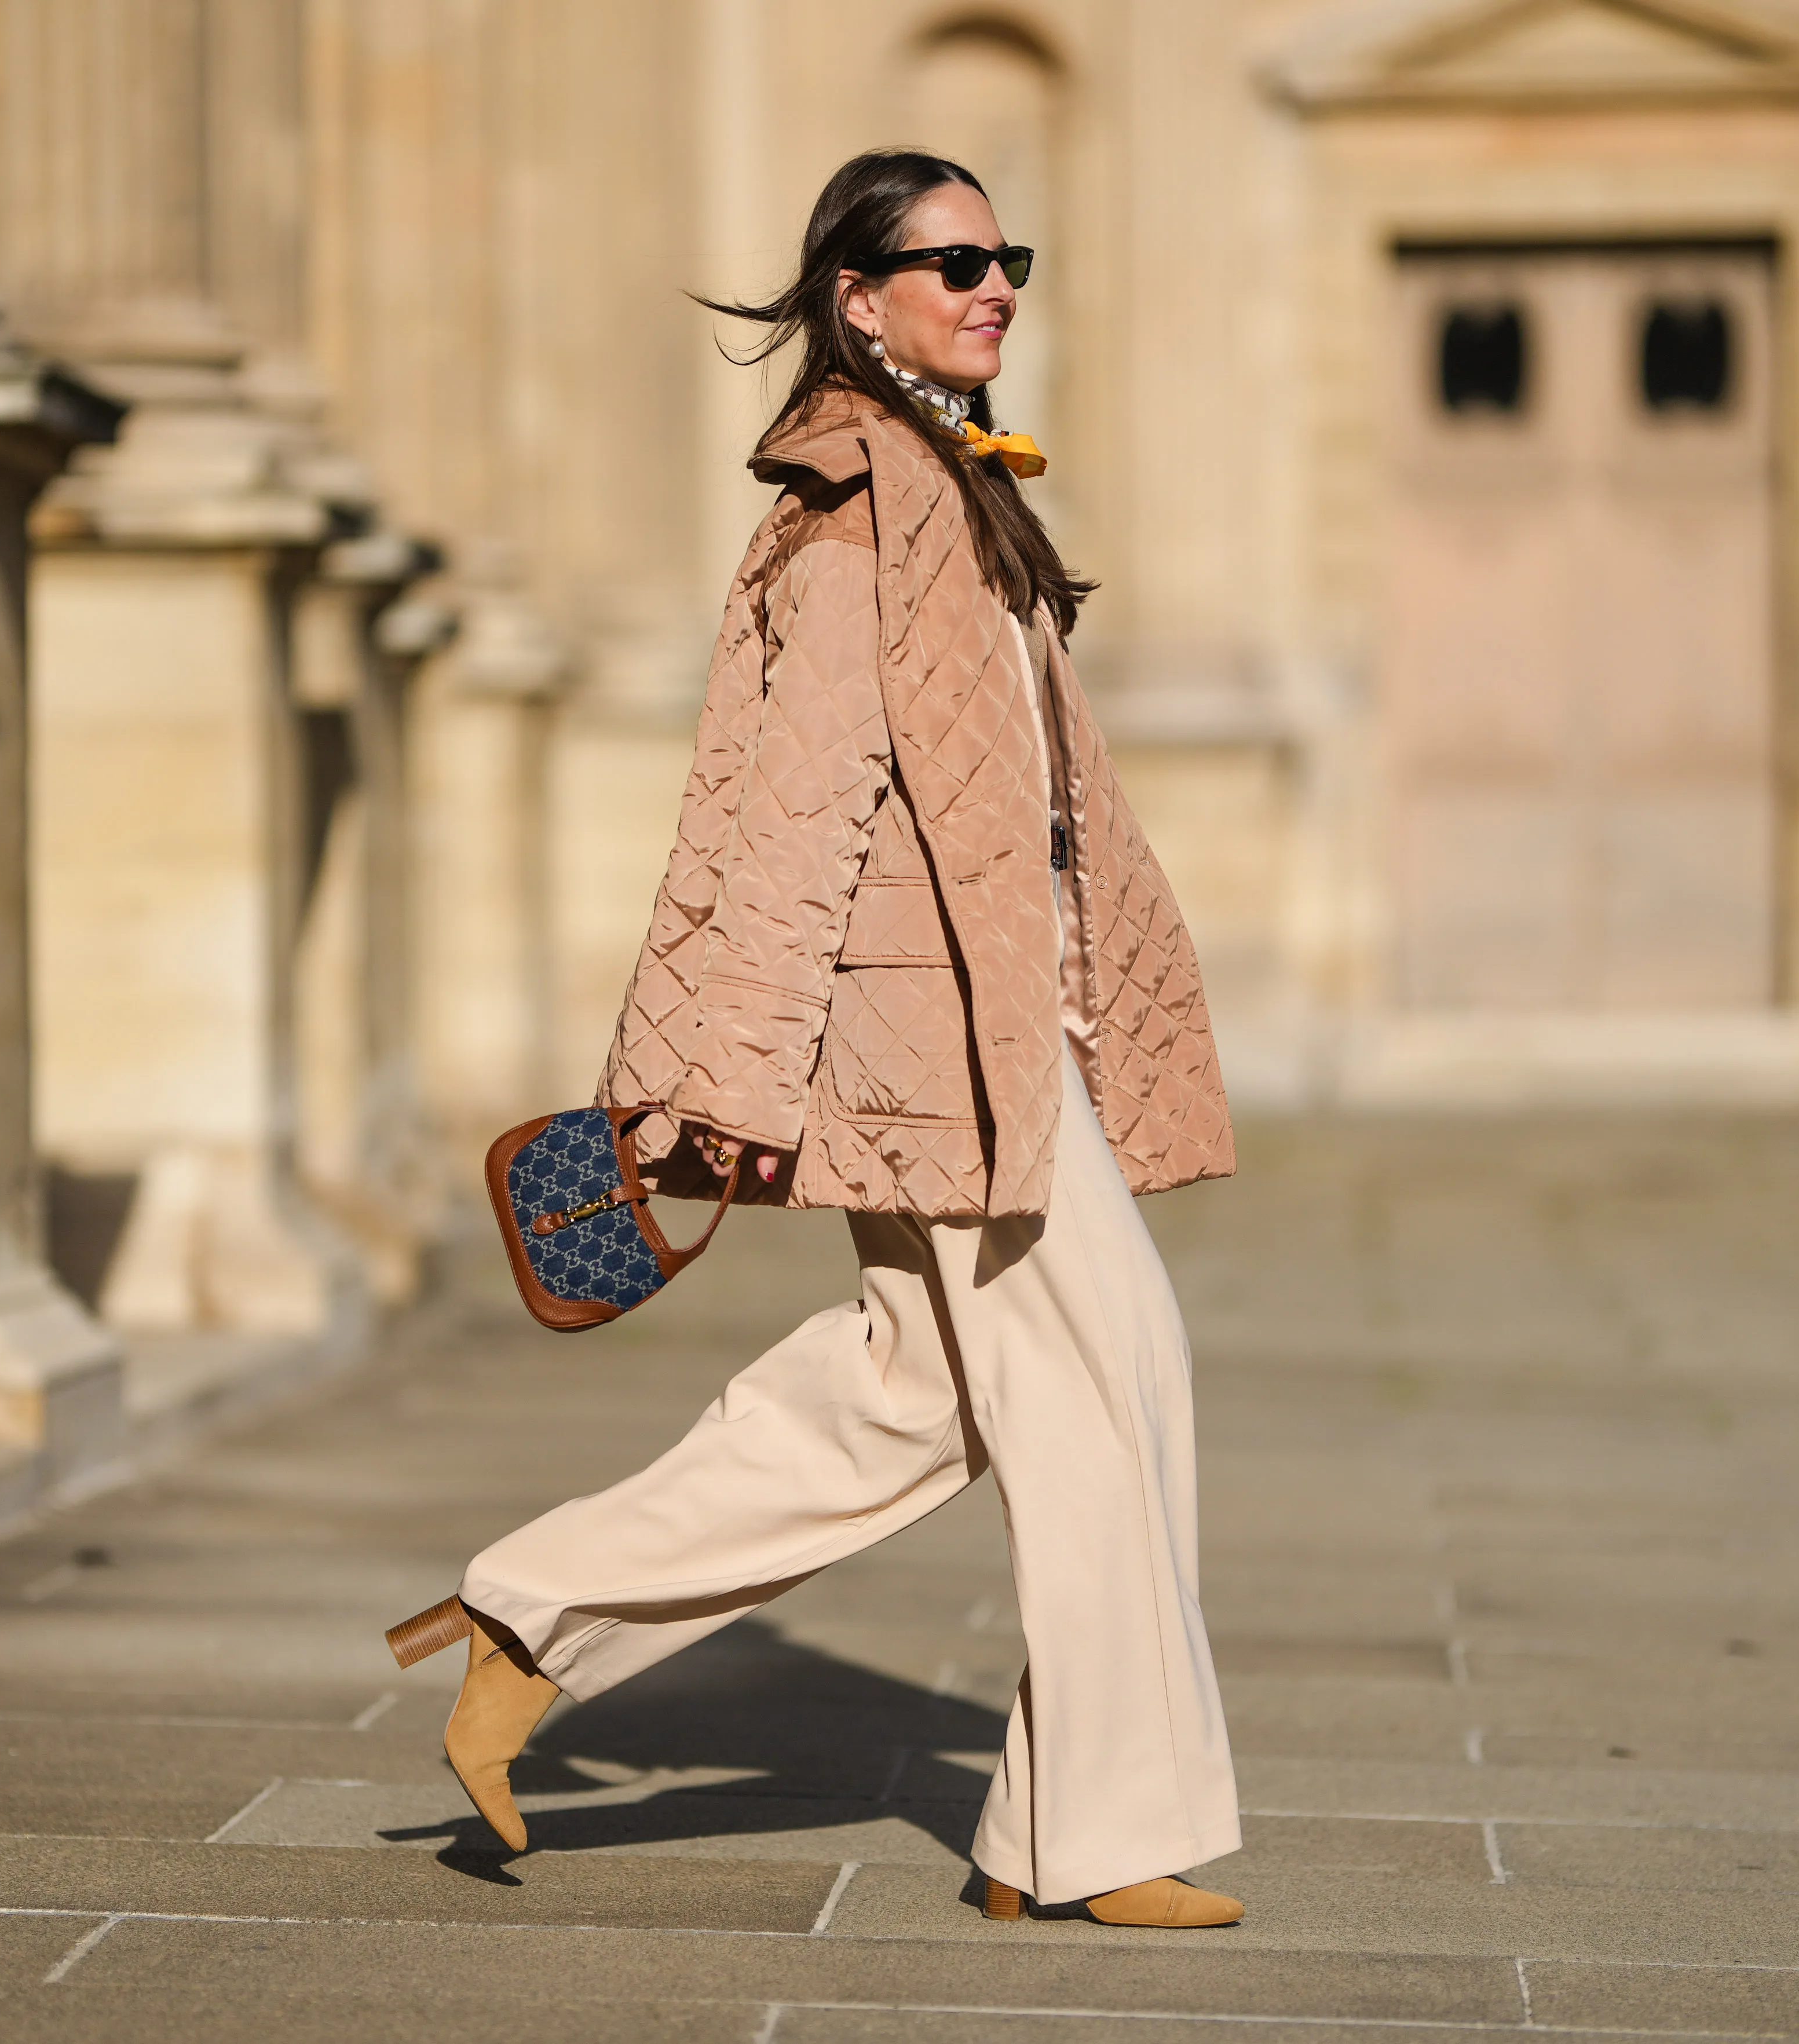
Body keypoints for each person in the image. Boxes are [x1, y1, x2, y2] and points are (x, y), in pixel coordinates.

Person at [383, 149, 1245, 1930]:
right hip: (934, 1054)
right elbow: (788, 810)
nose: (992, 285)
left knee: (911, 1394)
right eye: (950, 262)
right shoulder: (860, 494)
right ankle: (1084, 1836)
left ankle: (526, 1620)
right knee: (1118, 1384)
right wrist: (713, 1067)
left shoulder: (947, 484)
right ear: (856, 298)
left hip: (996, 1030)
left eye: (1007, 255)